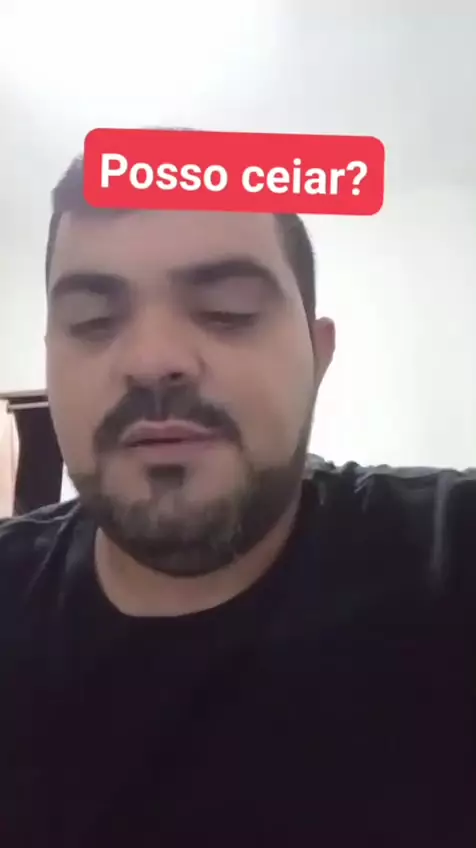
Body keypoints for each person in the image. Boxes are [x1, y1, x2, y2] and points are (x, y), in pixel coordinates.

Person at [1, 151, 475, 848]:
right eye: (93, 319)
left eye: (228, 310)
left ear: (318, 355)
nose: (152, 358)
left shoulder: (452, 561)